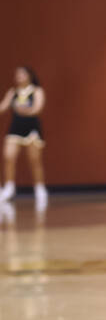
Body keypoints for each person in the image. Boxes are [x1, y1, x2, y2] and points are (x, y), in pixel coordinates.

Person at [0, 66, 48, 211]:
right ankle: (9, 187)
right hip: (15, 128)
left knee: (34, 160)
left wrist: (27, 110)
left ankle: (39, 188)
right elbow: (2, 106)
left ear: (29, 76)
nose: (19, 76)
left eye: (22, 74)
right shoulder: (13, 92)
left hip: (31, 128)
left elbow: (38, 107)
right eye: (17, 74)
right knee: (8, 156)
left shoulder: (36, 91)